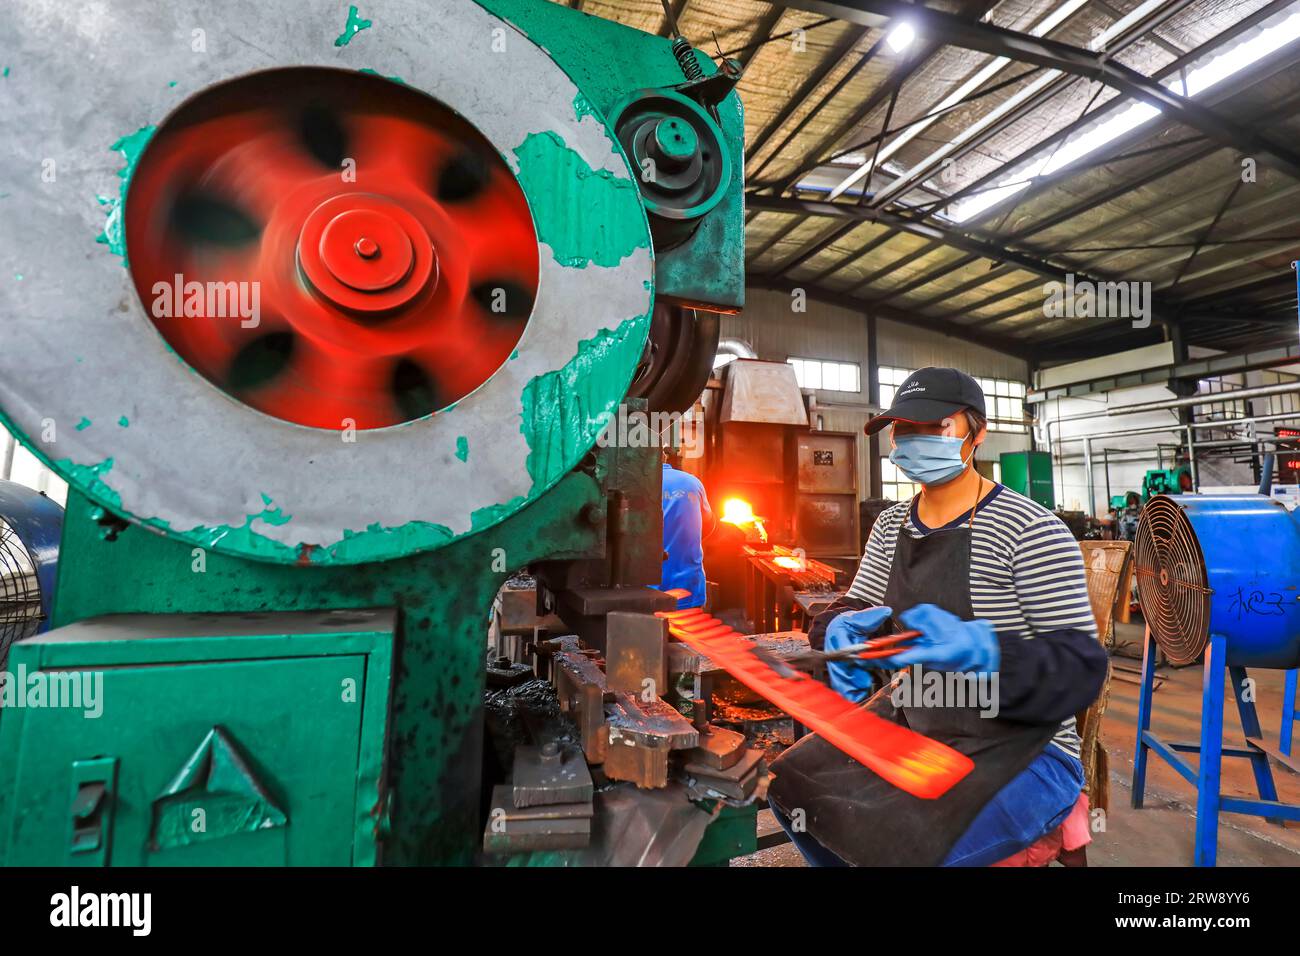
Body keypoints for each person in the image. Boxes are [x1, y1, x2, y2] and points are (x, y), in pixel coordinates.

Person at [769, 366, 1108, 866]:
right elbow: (856, 605)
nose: (916, 439)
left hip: (1023, 745)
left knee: (901, 848)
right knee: (792, 787)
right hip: (916, 720)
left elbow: (1081, 668)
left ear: (978, 433)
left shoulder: (1030, 530)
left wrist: (988, 653)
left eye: (936, 427)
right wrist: (836, 631)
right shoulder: (891, 525)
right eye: (906, 429)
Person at [657, 447, 714, 610]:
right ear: (664, 457)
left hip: (649, 592)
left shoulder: (635, 486)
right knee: (688, 634)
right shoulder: (693, 482)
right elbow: (709, 524)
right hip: (689, 589)